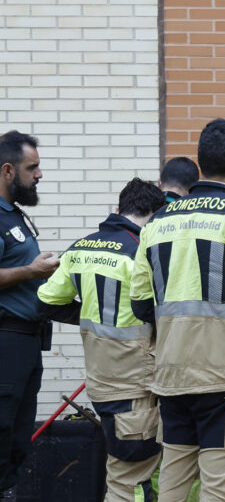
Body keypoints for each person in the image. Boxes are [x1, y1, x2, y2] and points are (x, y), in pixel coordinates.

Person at [130, 119, 225, 502]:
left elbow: (141, 304)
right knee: (222, 489)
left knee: (174, 488)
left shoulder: (159, 221)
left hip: (172, 377)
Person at [37, 178, 167, 502]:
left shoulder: (81, 247)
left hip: (101, 382)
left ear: (119, 208)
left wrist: (85, 315)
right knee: (130, 480)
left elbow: (46, 301)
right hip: (136, 385)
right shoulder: (143, 252)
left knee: (125, 470)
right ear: (153, 214)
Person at [0, 131, 60, 500]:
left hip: (25, 343)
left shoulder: (14, 217)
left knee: (17, 439)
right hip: (6, 340)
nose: (39, 174)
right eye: (32, 167)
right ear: (7, 170)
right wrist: (30, 271)